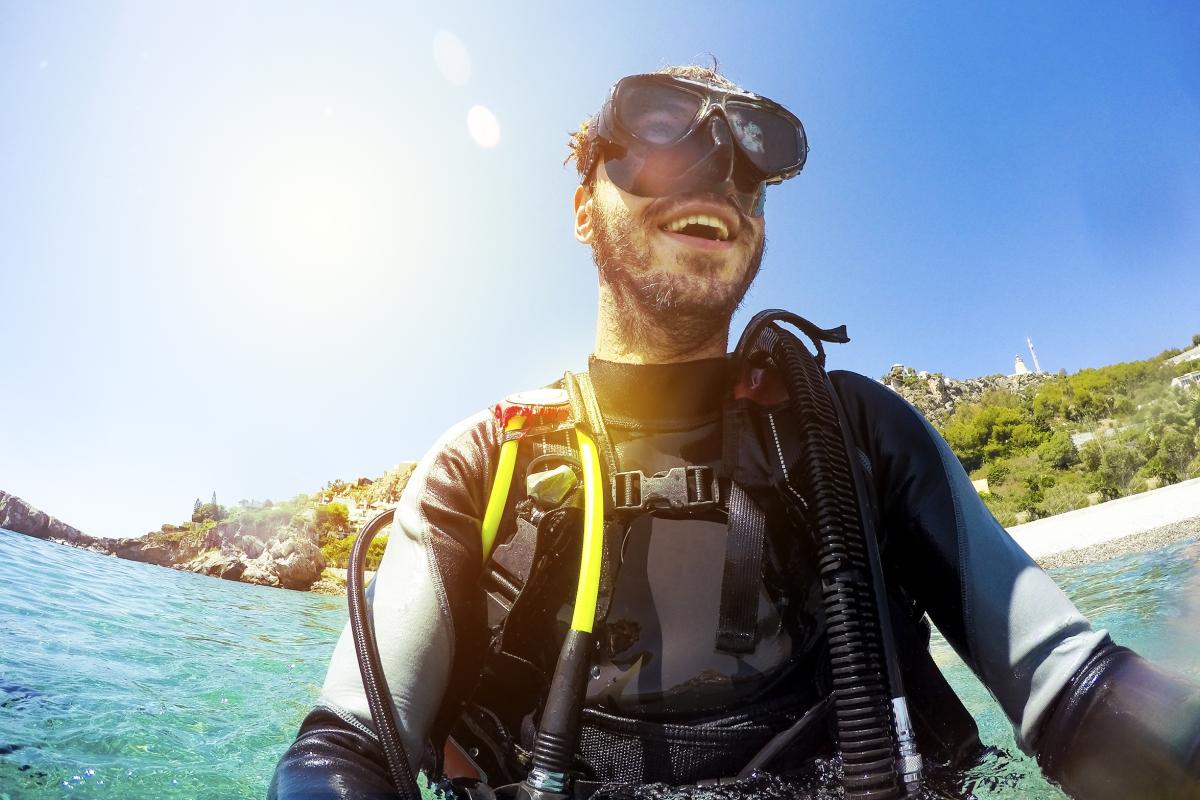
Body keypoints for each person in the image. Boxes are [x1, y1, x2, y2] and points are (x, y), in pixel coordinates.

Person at [270, 65, 1200, 800]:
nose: (721, 171)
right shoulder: (482, 469)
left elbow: (1078, 692)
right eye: (665, 130)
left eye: (750, 163)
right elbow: (343, 753)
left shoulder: (859, 437)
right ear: (583, 204)